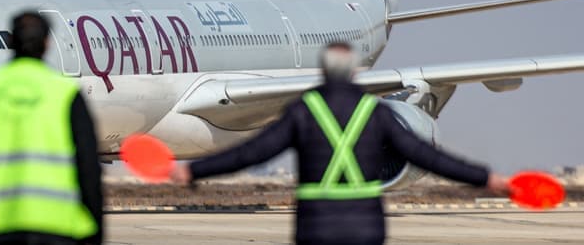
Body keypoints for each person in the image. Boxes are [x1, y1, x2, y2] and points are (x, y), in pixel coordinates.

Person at [170, 42, 510, 245]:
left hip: (316, 225)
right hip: (363, 225)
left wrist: (192, 172)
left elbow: (252, 152)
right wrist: (484, 178)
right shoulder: (375, 113)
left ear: (322, 70)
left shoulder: (304, 112)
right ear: (354, 71)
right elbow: (426, 155)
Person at [0, 12, 102, 245]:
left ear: (11, 42)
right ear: (47, 43)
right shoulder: (64, 92)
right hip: (56, 230)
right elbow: (88, 170)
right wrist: (94, 231)